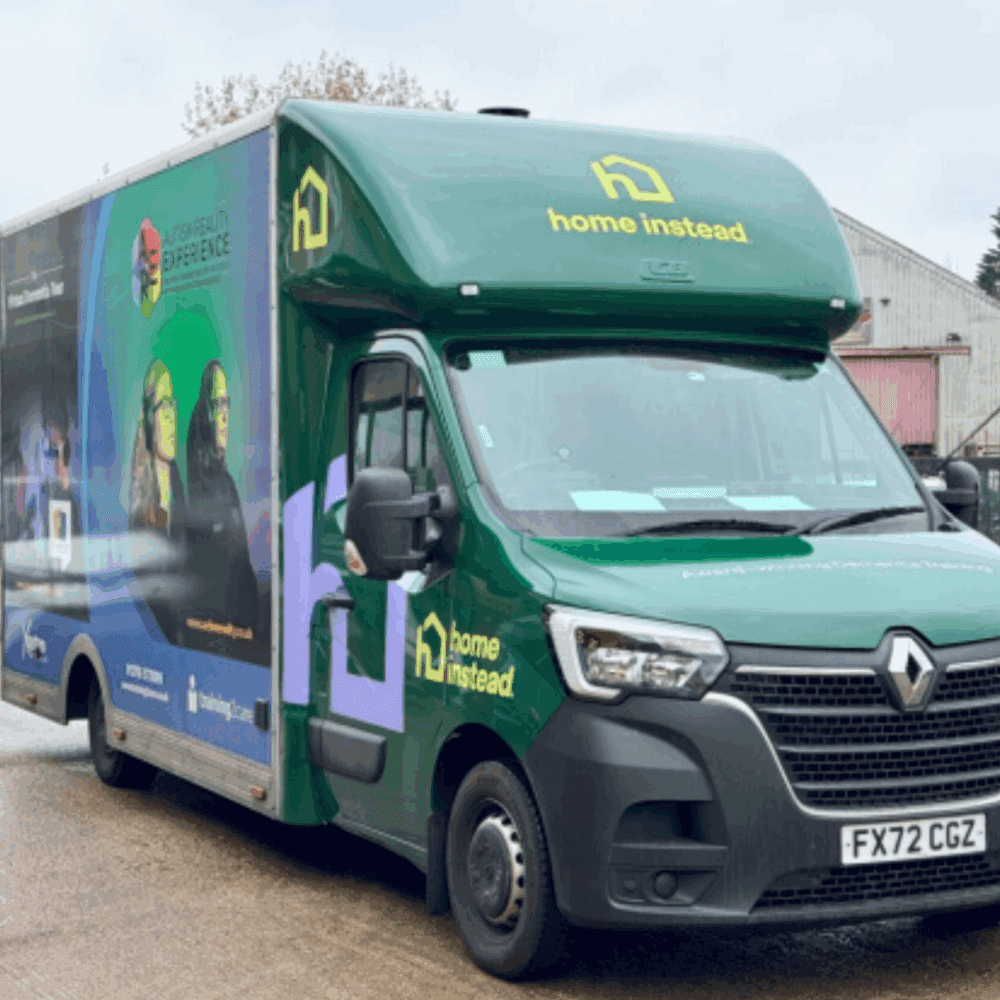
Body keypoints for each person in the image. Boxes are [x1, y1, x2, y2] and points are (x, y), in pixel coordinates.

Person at [185, 360, 258, 634]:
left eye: (226, 403)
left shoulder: (225, 483)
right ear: (205, 414)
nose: (225, 415)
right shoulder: (203, 489)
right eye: (217, 404)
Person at [129, 360, 187, 540]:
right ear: (149, 418)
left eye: (172, 405)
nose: (172, 417)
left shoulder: (178, 484)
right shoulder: (141, 507)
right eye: (164, 405)